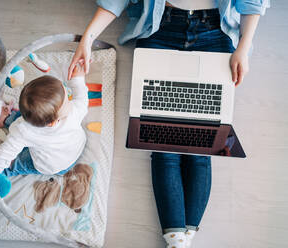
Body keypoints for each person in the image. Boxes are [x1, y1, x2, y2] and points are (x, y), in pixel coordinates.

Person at [68, 1, 269, 247]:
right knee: (162, 143)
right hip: (160, 29)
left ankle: (181, 240)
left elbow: (251, 3)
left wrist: (243, 48)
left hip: (215, 32)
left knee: (202, 144)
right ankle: (178, 240)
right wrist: (87, 39)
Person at [0, 64, 88, 178]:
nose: (69, 102)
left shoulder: (23, 129)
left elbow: (5, 153)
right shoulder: (75, 111)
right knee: (17, 159)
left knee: (18, 161)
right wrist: (78, 79)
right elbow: (81, 96)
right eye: (66, 100)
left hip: (52, 165)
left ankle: (7, 120)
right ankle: (8, 120)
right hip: (74, 150)